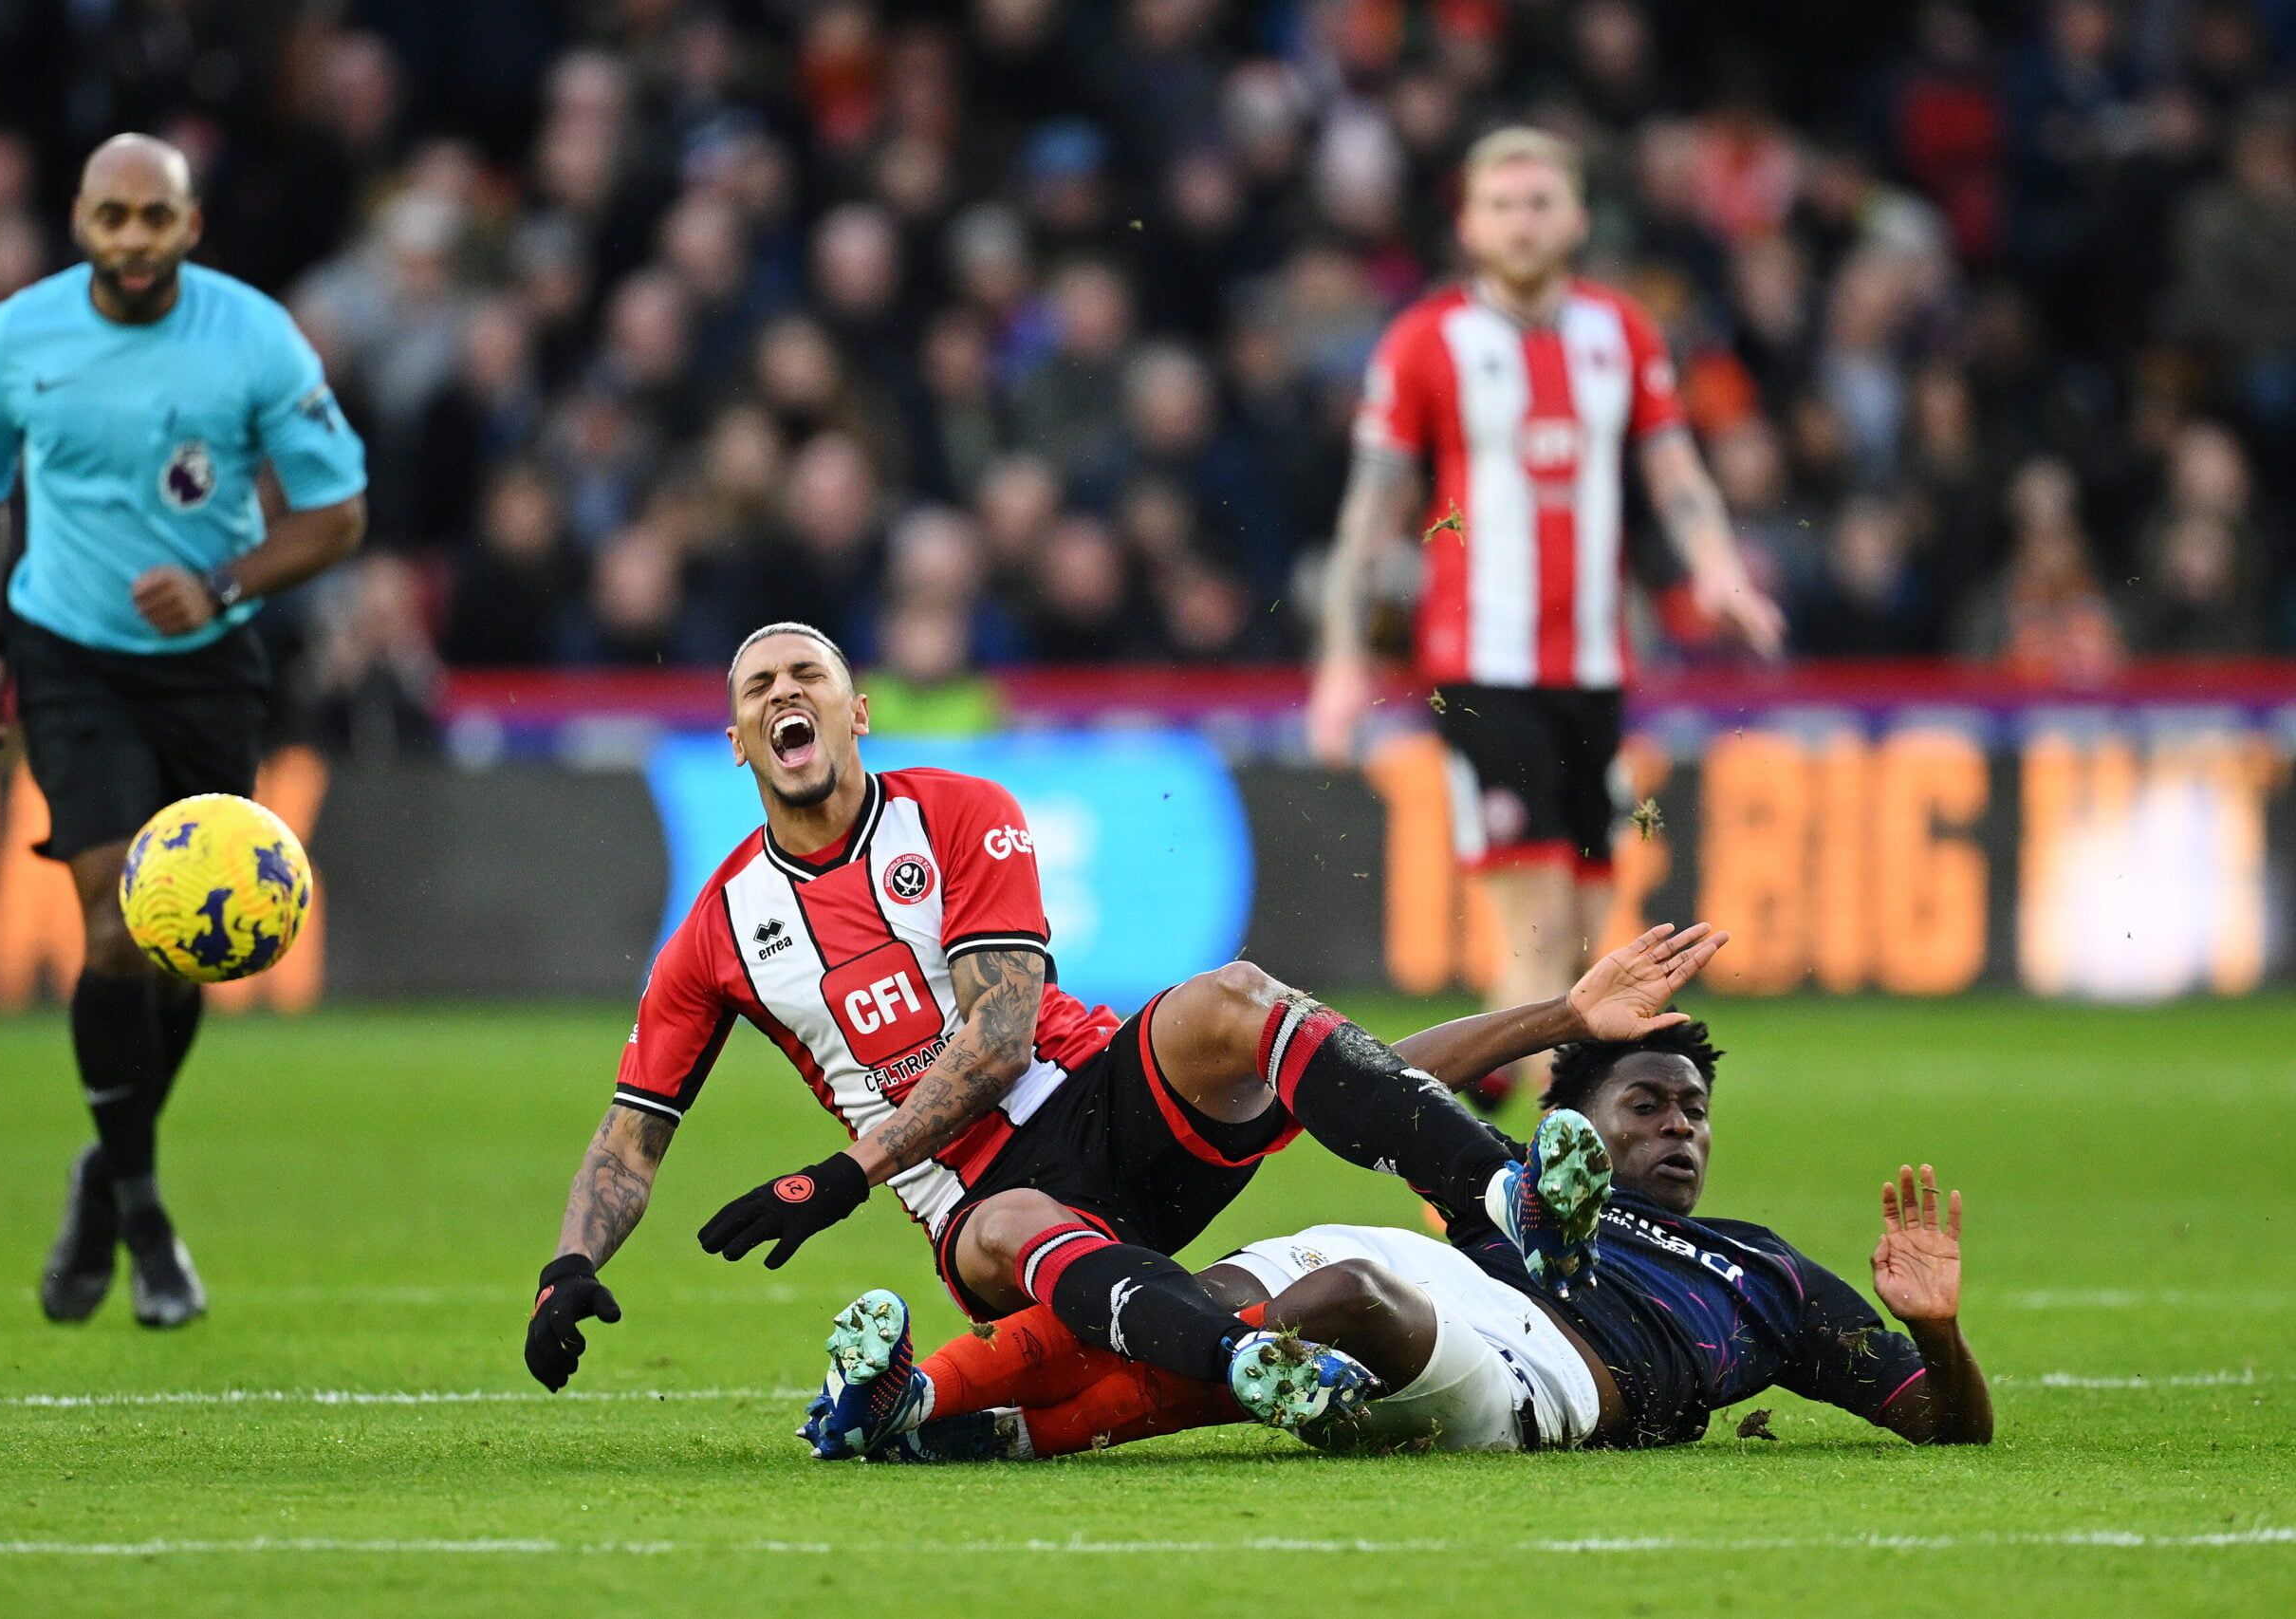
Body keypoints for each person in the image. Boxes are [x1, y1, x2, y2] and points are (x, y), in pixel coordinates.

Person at [524, 622, 1725, 1418]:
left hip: (1107, 1101)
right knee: (1001, 1227)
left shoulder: (960, 814)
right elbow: (635, 1129)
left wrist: (841, 1174)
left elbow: (997, 1044)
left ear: (857, 711)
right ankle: (1244, 1360)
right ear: (737, 743)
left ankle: (1499, 1191)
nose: (785, 695)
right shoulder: (718, 930)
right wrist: (568, 1265)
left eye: (808, 678)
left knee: (1231, 999)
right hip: (986, 1196)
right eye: (759, 689)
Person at [816, 1018, 1992, 1461]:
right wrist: (1564, 1016)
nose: (1680, 1127)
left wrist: (1936, 1334)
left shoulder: (1764, 1267)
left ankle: (985, 1416)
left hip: (1553, 1378)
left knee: (1339, 1293)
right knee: (1195, 1293)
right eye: (1648, 1105)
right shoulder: (1511, 1177)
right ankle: (921, 1404)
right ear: (1567, 1128)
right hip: (1450, 1268)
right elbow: (1368, 1080)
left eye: (1694, 1111)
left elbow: (1945, 1424)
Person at [0, 136, 368, 1328]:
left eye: (154, 218)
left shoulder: (255, 338)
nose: (131, 239)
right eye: (111, 216)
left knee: (189, 949)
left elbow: (338, 512)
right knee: (111, 920)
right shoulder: (16, 339)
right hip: (67, 652)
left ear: (189, 224)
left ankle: (101, 1162)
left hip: (208, 661)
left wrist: (226, 583)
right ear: (79, 217)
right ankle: (140, 1210)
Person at [1306, 126, 1784, 1109]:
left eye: (1539, 201)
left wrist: (1718, 568)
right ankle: (1469, 1171)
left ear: (1575, 217)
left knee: (1577, 931)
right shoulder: (1426, 341)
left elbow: (1671, 467)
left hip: (1596, 667)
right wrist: (1342, 659)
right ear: (1468, 223)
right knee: (1532, 918)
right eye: (1502, 203)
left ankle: (1494, 1096)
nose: (1522, 221)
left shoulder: (1624, 332)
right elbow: (1370, 510)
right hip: (1481, 664)